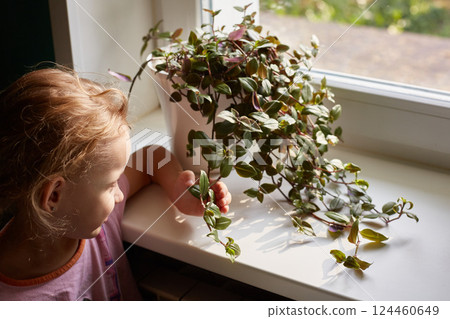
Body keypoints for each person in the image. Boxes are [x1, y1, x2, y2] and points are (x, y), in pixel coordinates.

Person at [0, 67, 232, 300]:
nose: (120, 194)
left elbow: (150, 157)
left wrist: (178, 188)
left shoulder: (78, 216)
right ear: (53, 196)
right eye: (111, 185)